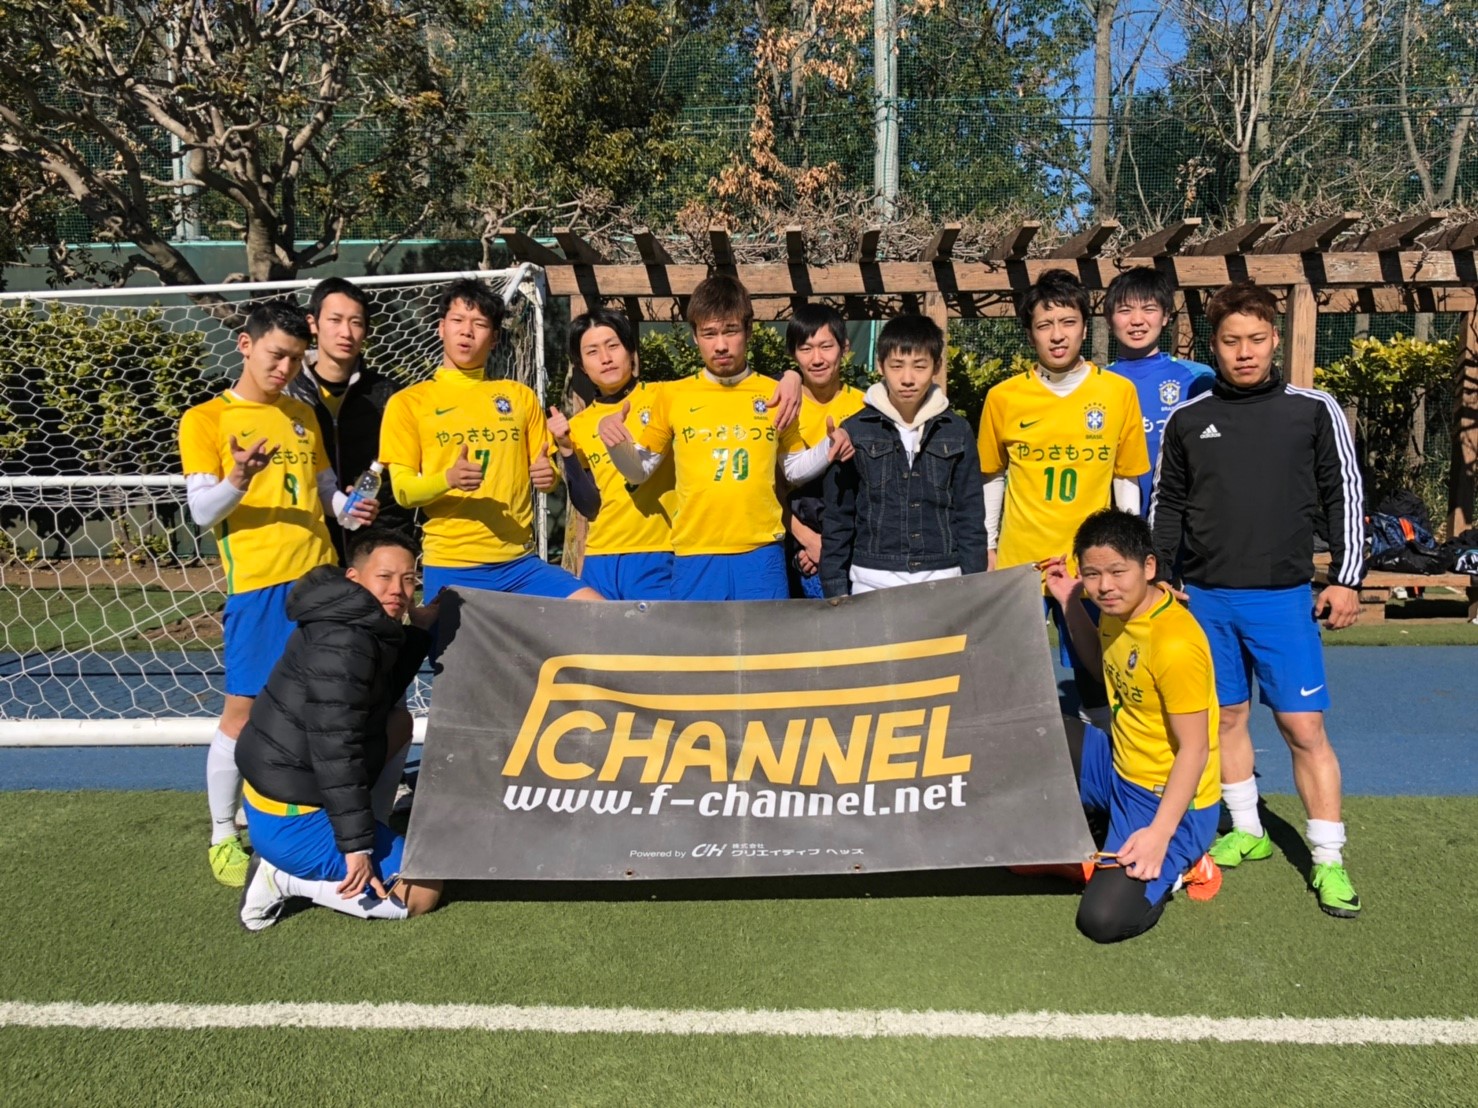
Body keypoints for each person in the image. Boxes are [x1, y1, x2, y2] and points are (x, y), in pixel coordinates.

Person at [1150, 279, 1365, 918]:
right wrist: (1161, 576)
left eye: (1255, 339)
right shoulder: (1189, 419)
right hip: (1204, 599)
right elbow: (1168, 505)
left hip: (1282, 599)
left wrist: (1347, 577)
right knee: (1225, 720)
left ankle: (1328, 858)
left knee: (1304, 728)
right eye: (1230, 341)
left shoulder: (1313, 409)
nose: (1244, 352)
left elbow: (1344, 493)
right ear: (1213, 347)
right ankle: (1248, 828)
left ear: (1275, 340)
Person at [178, 300, 377, 887]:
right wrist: (239, 478)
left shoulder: (301, 415)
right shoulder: (206, 419)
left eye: (294, 358)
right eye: (276, 355)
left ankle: (333, 814)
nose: (285, 368)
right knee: (243, 712)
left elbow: (325, 494)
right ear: (245, 345)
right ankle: (223, 833)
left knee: (333, 703)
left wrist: (350, 509)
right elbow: (201, 511)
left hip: (323, 583)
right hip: (261, 588)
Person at [236, 529, 443, 930]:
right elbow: (335, 748)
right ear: (354, 578)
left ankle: (370, 827)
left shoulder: (352, 618)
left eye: (408, 579)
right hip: (292, 813)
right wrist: (357, 847)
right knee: (422, 891)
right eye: (384, 577)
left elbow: (374, 698)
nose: (398, 590)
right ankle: (281, 877)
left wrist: (417, 631)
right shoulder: (345, 640)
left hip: (288, 784)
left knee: (398, 722)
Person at [598, 276, 850, 601]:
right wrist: (617, 445)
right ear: (695, 337)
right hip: (695, 555)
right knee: (699, 638)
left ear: (748, 330)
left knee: (766, 636)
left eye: (730, 331)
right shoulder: (672, 395)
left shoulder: (775, 394)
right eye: (709, 334)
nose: (720, 345)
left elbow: (793, 469)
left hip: (762, 553)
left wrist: (829, 447)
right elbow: (639, 471)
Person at [977, 268, 1150, 725]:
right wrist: (989, 547)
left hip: (1091, 566)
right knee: (1012, 687)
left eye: (1068, 322)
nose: (1057, 335)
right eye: (1045, 325)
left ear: (1085, 326)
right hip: (1020, 565)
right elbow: (992, 477)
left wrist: (1130, 554)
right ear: (1030, 332)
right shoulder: (1003, 397)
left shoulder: (1118, 393)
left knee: (1098, 683)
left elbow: (1125, 480)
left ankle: (1103, 768)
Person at [1044, 509, 1222, 943]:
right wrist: (1069, 600)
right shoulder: (1117, 610)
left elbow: (1195, 749)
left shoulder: (1175, 643)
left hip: (1168, 802)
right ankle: (1100, 836)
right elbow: (1099, 664)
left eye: (1117, 572)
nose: (1105, 586)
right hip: (1117, 768)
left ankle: (1189, 864)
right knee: (1034, 735)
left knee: (1101, 921)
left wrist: (1159, 835)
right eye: (1092, 574)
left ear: (1149, 567)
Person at [377, 278, 602, 603]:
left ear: (494, 338)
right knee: (448, 640)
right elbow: (403, 492)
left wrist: (548, 476)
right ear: (441, 328)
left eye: (480, 324)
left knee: (596, 610)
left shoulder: (519, 397)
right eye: (458, 320)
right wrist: (448, 478)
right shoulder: (408, 403)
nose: (467, 331)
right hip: (452, 566)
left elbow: (548, 476)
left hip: (521, 565)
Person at [820, 314, 986, 596]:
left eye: (919, 366)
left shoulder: (957, 431)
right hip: (872, 580)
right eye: (897, 366)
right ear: (880, 365)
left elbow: (970, 515)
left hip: (943, 577)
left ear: (937, 366)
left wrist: (973, 584)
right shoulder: (855, 431)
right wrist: (836, 589)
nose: (907, 379)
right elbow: (838, 518)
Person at [551, 307, 676, 601]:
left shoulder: (666, 397)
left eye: (613, 346)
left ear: (631, 351)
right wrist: (567, 451)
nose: (605, 358)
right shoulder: (578, 426)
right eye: (592, 352)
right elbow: (589, 507)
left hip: (659, 551)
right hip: (600, 558)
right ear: (582, 366)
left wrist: (784, 378)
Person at [289, 277, 416, 562]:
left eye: (356, 323)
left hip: (375, 545)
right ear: (313, 323)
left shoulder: (391, 396)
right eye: (335, 320)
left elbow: (403, 475)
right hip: (307, 546)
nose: (345, 332)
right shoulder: (287, 396)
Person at [1102, 269, 1215, 516]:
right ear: (1109, 319)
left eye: (1149, 309)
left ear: (1165, 316)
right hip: (1117, 523)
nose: (1137, 320)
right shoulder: (1097, 382)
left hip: (1183, 520)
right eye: (1125, 310)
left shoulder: (1198, 378)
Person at [784, 304, 865, 597]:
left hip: (854, 550)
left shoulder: (865, 406)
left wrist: (832, 547)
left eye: (826, 347)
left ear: (845, 348)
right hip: (797, 550)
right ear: (793, 354)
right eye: (806, 349)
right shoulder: (783, 407)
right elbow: (767, 490)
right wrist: (809, 541)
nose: (817, 359)